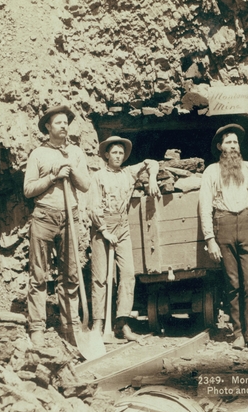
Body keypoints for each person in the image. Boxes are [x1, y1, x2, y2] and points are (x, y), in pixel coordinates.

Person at [24, 104, 90, 347]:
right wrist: (52, 177)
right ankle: (37, 327)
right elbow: (28, 189)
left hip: (70, 217)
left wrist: (71, 173)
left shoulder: (76, 153)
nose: (63, 126)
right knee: (39, 275)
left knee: (70, 275)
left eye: (66, 122)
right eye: (58, 122)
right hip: (43, 216)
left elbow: (85, 185)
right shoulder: (38, 154)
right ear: (48, 128)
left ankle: (70, 325)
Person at [199, 124, 248, 352]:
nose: (233, 146)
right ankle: (238, 334)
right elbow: (205, 205)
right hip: (224, 225)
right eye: (228, 142)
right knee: (233, 283)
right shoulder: (211, 171)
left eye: (236, 142)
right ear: (220, 147)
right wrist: (210, 238)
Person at [89, 137, 160, 341]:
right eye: (114, 153)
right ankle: (98, 324)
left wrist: (153, 177)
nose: (118, 156)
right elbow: (93, 207)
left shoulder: (128, 173)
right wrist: (104, 230)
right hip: (101, 227)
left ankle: (122, 323)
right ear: (106, 155)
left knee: (128, 274)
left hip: (122, 227)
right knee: (100, 277)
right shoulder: (98, 177)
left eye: (121, 153)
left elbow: (151, 162)